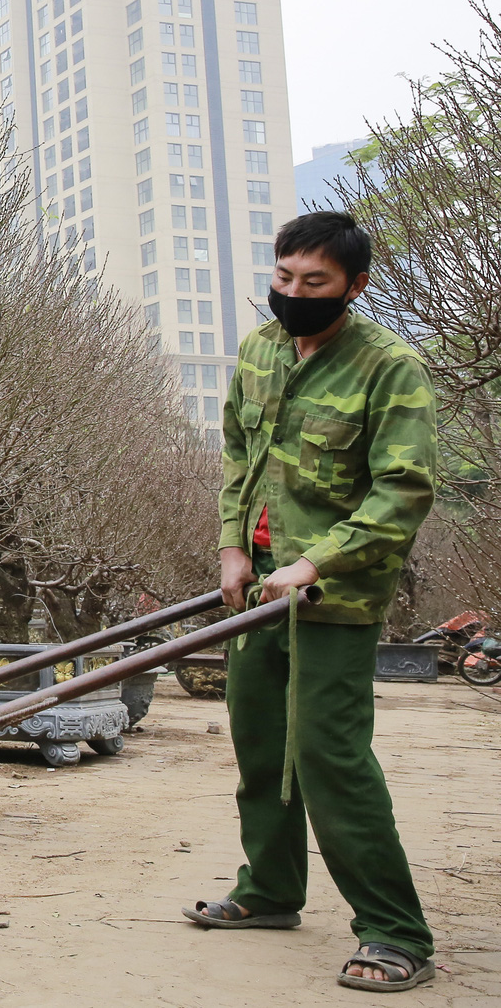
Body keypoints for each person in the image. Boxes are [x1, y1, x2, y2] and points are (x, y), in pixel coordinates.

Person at [186, 211, 438, 993]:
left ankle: (396, 931)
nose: (292, 294)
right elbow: (238, 454)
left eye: (314, 283)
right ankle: (269, 890)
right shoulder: (260, 350)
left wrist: (312, 562)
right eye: (283, 278)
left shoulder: (390, 367)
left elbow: (404, 490)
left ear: (355, 287)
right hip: (257, 586)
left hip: (335, 596)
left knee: (329, 758)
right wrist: (234, 545)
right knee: (260, 744)